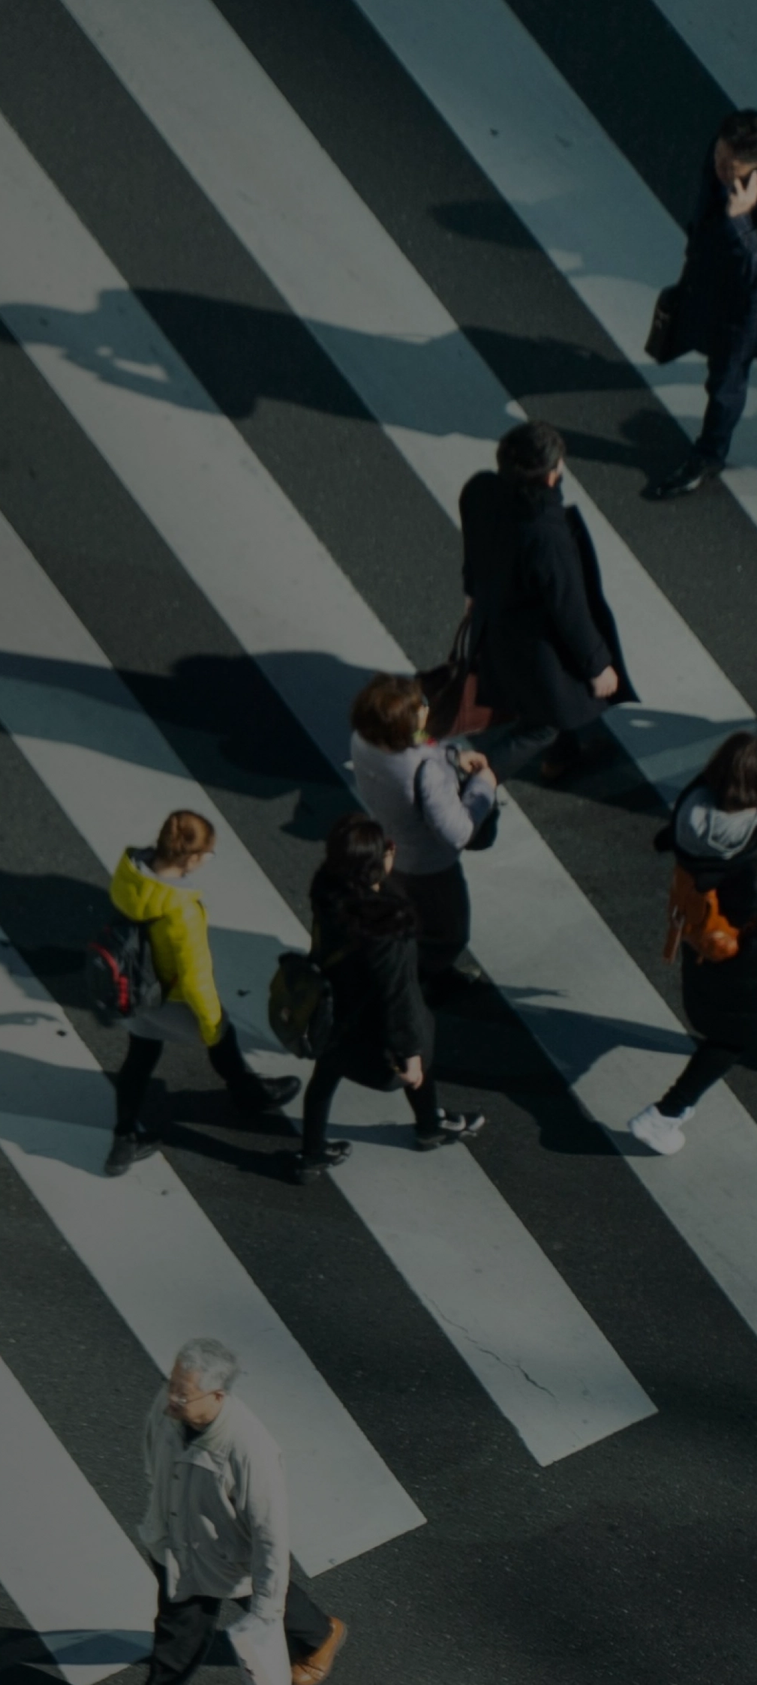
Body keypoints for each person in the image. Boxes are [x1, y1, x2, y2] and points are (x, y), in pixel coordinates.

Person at [103, 1338, 349, 1685]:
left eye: (183, 1393)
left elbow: (271, 1537)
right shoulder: (171, 1405)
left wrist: (266, 1616)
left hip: (217, 1556)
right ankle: (321, 1633)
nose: (171, 1397)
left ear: (217, 1395)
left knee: (183, 1631)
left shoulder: (250, 1451)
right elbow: (151, 1444)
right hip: (175, 1540)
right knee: (217, 1607)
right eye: (171, 1383)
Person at [102, 811, 301, 1177]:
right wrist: (213, 1024)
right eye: (208, 854)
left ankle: (124, 1138)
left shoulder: (131, 875)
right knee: (222, 1034)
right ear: (191, 859)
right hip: (169, 998)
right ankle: (248, 1093)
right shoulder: (182, 911)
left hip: (132, 986)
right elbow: (196, 980)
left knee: (139, 1057)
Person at [297, 816, 486, 1180]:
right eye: (385, 847)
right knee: (422, 1061)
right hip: (373, 1033)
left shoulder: (326, 889)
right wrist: (412, 1057)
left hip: (333, 1015)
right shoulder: (388, 925)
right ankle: (429, 1126)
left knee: (323, 1082)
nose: (392, 848)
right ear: (374, 864)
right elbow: (398, 997)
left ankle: (311, 1154)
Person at [464, 421, 629, 785]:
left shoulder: (482, 491)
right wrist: (597, 664)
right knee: (543, 725)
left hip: (496, 626)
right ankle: (475, 778)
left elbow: (474, 550)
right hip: (535, 646)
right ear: (551, 476)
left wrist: (472, 592)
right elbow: (568, 606)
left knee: (553, 701)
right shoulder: (546, 533)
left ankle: (563, 757)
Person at [630, 732, 757, 1153]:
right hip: (742, 962)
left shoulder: (695, 805)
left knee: (728, 1029)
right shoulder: (750, 852)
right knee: (731, 1038)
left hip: (704, 941)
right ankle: (664, 1114)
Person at [347, 672, 499, 996]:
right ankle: (426, 978)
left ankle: (412, 967)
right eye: (419, 707)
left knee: (407, 919)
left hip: (390, 847)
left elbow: (419, 747)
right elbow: (458, 832)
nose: (426, 709)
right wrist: (484, 786)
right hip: (428, 866)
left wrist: (452, 756)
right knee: (450, 933)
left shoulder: (362, 740)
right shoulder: (423, 771)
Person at [643, 111, 757, 501]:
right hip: (711, 283)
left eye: (730, 166)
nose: (720, 168)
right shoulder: (720, 157)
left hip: (746, 310)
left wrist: (740, 221)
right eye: (719, 157)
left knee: (726, 381)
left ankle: (709, 455)